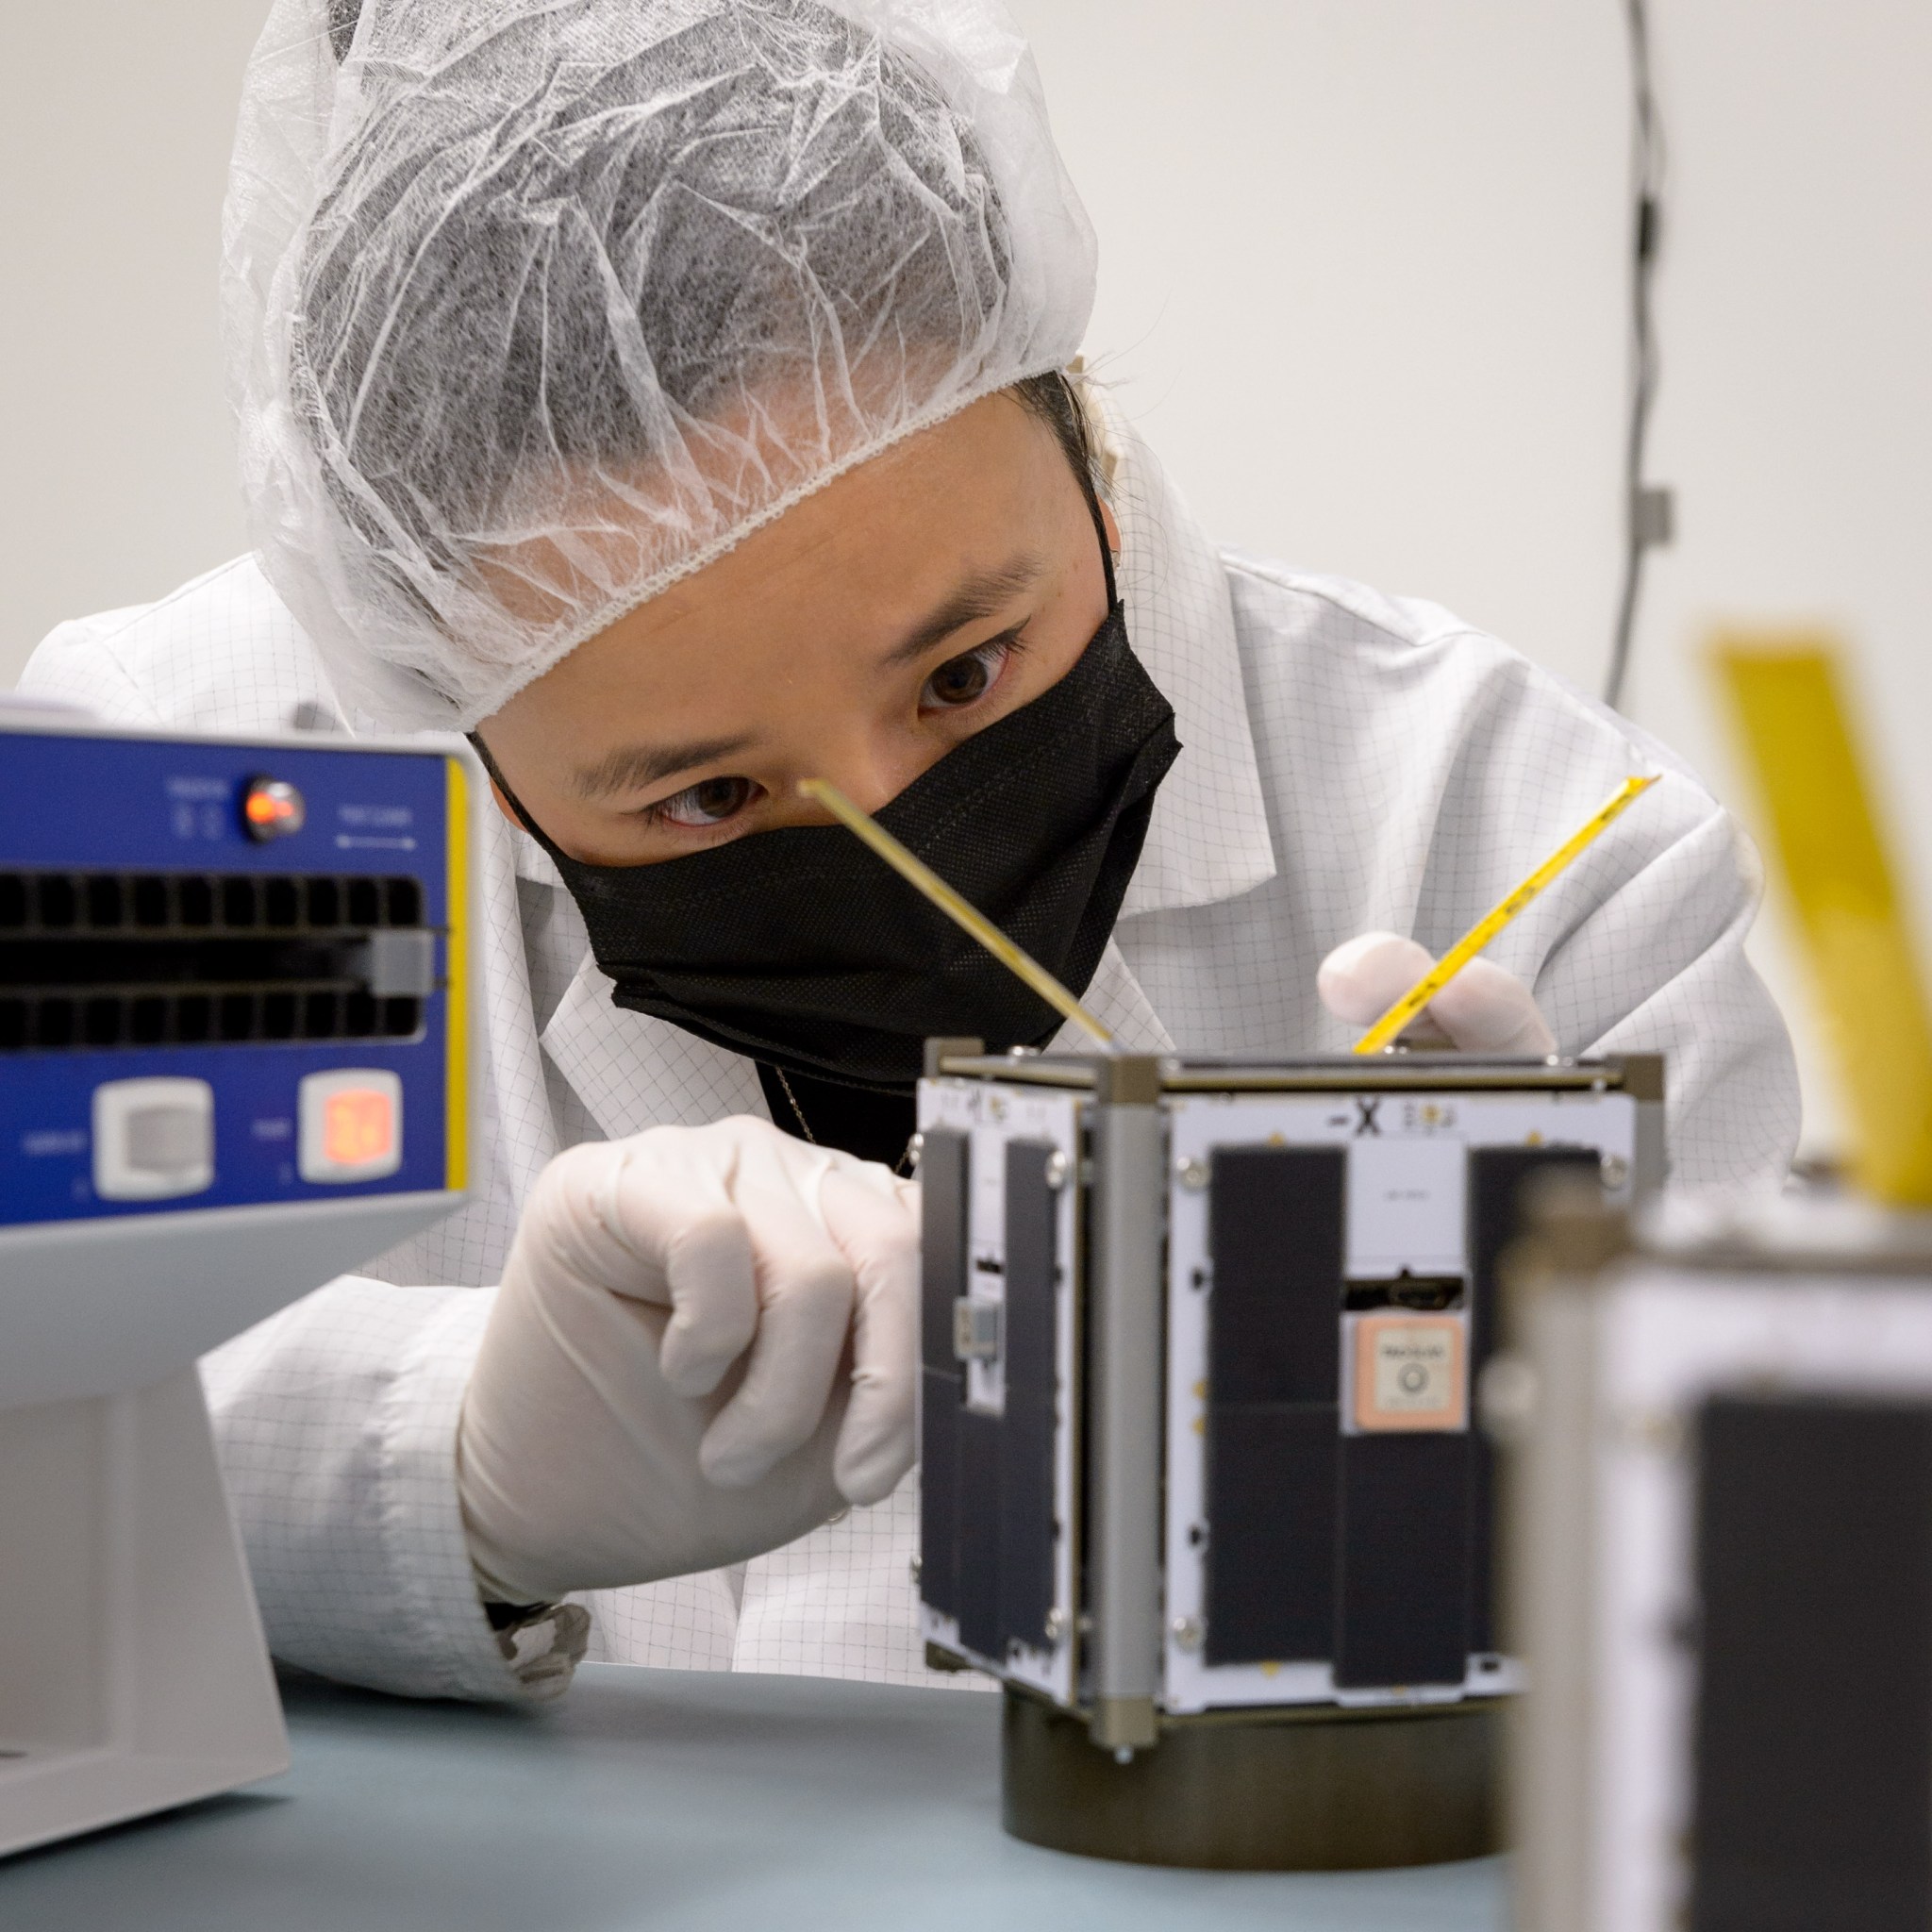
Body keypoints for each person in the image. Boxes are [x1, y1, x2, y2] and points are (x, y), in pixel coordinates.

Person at [21, 0, 1798, 1707]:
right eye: (707, 796)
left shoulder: (1525, 838)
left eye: (966, 672)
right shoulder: (214, 781)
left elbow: (1786, 1641)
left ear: (1081, 428)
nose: (900, 843)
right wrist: (455, 1463)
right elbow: (40, 1452)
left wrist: (1567, 1449)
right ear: (454, 722)